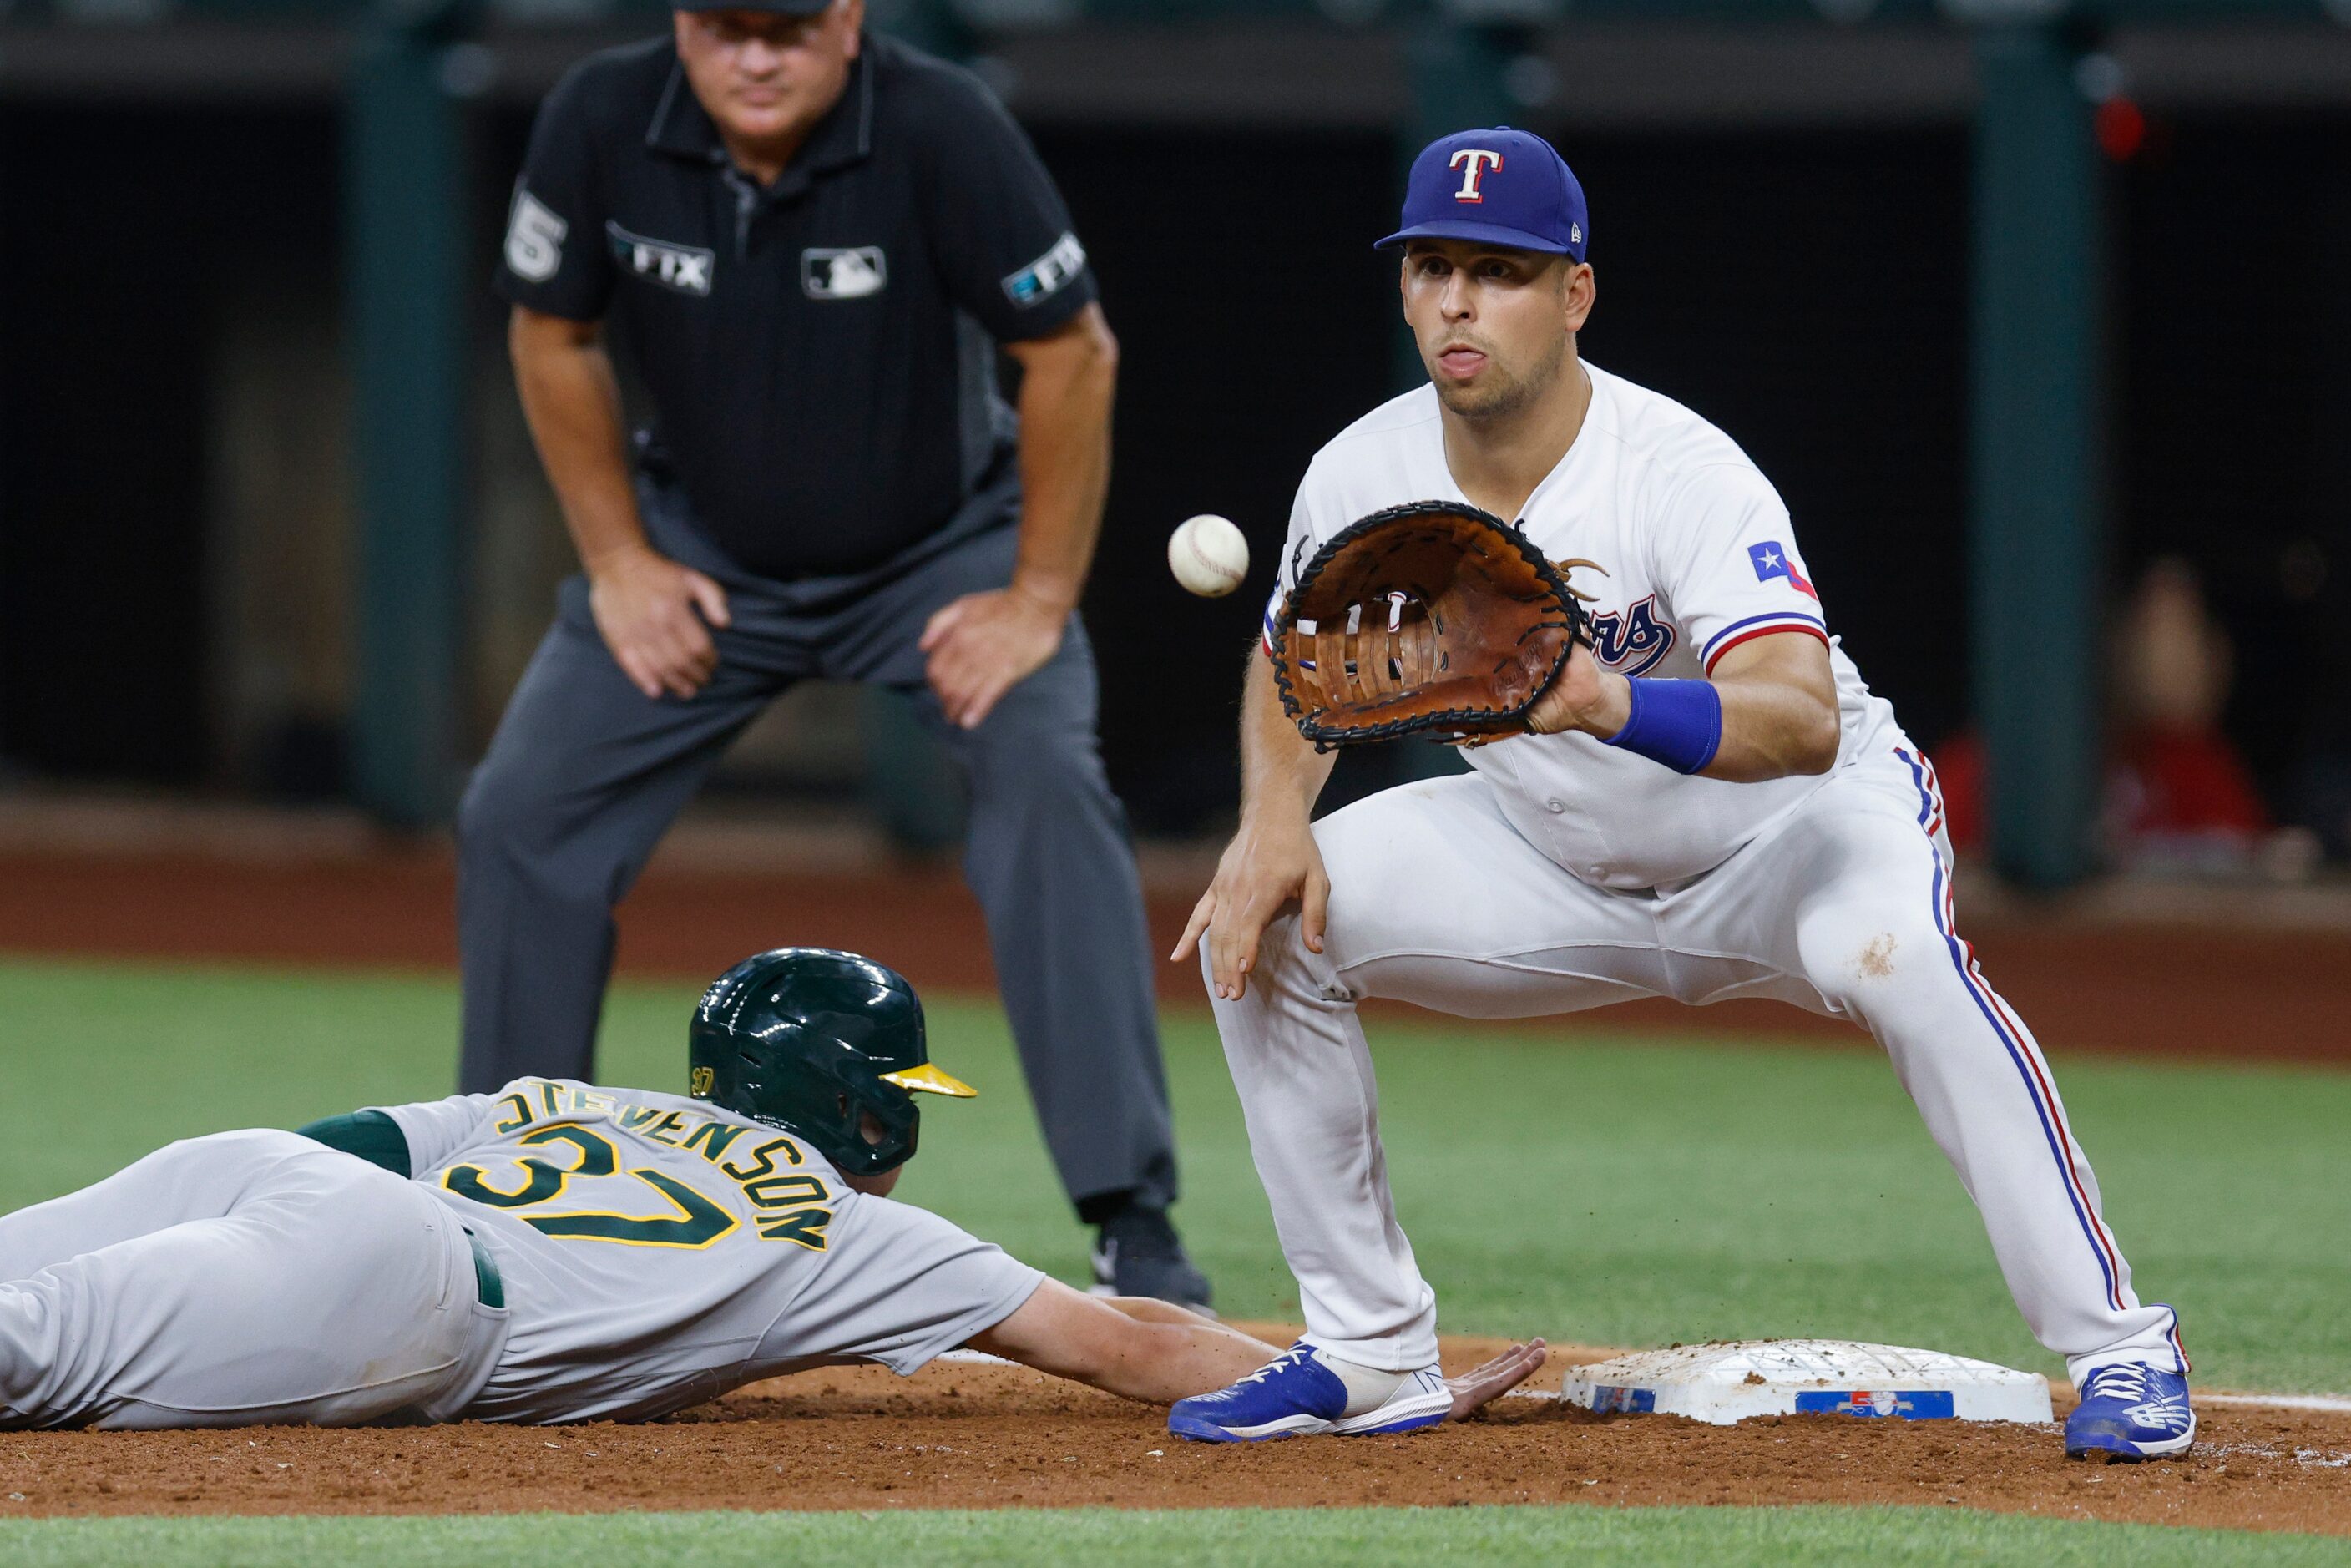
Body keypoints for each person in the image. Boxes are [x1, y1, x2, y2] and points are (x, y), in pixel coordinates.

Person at [1165, 129, 2193, 1459]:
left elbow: (1801, 716)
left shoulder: (1679, 469)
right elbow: (1294, 664)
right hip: (1546, 856)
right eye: (1432, 268)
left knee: (1905, 966)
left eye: (1501, 270)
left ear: (1576, 293)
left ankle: (2121, 1345)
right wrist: (1269, 825)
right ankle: (1367, 1348)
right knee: (1258, 926)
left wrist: (1612, 700)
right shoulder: (1362, 470)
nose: (1459, 301)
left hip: (1794, 845)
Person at [468, 0, 1206, 1305]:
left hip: (936, 555)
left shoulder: (937, 125)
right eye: (727, 25)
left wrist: (1035, 595)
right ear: (682, 23)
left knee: (1044, 781)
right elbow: (551, 330)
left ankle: (1129, 1215)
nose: (758, 56)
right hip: (703, 557)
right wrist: (620, 560)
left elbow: (1071, 350)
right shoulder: (601, 116)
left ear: (850, 19)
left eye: (791, 27)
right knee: (523, 810)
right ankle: (496, 1192)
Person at [0, 948, 1544, 1431]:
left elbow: (339, 1142)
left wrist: (230, 1222)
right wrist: (1390, 1386)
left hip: (260, 1171)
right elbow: (1121, 1338)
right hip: (398, 1298)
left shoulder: (573, 1095)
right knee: (31, 1361)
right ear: (864, 1106)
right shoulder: (853, 1232)